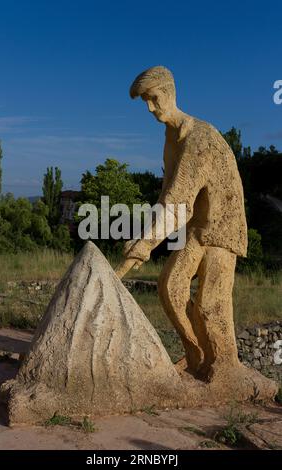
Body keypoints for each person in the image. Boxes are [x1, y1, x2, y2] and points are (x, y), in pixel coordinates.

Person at [117, 66, 247, 380]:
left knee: (210, 304)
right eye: (145, 101)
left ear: (171, 93)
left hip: (222, 230)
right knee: (170, 286)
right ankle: (196, 356)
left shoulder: (198, 137)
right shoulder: (172, 138)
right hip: (197, 229)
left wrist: (146, 244)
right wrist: (143, 239)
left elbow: (179, 204)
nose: (150, 108)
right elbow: (166, 197)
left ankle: (226, 370)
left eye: (154, 98)